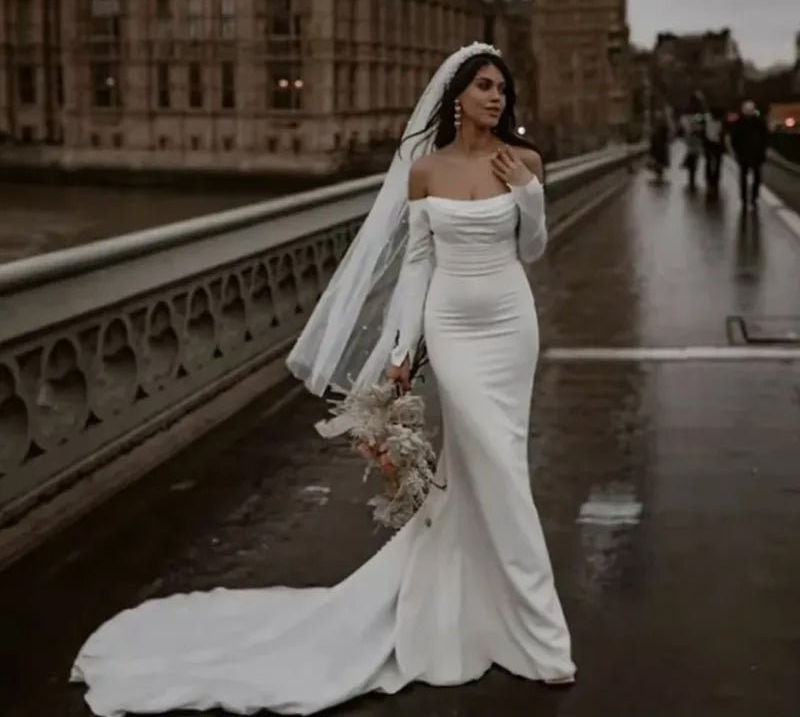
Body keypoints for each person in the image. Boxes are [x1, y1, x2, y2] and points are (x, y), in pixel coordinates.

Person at [69, 43, 576, 716]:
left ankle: (474, 611)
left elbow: (533, 247)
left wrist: (530, 196)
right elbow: (418, 265)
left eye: (502, 89)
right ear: (457, 95)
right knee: (497, 469)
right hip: (453, 332)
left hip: (512, 329)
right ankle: (543, 638)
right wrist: (402, 349)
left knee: (493, 467)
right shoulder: (425, 170)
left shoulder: (525, 163)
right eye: (485, 86)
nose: (496, 98)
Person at [730, 99, 768, 207]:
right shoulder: (757, 121)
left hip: (751, 153)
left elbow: (734, 138)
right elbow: (765, 137)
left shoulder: (742, 122)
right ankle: (749, 197)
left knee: (748, 175)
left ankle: (748, 196)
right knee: (751, 175)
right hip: (750, 153)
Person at [703, 107, 726, 197]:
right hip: (716, 145)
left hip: (710, 144)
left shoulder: (708, 122)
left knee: (709, 163)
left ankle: (710, 181)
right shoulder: (720, 123)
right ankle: (714, 181)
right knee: (717, 163)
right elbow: (722, 135)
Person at [649, 108, 671, 180]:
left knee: (659, 160)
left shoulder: (662, 127)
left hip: (659, 146)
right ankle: (659, 173)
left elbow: (665, 136)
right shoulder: (660, 126)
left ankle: (659, 173)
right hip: (658, 146)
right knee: (659, 160)